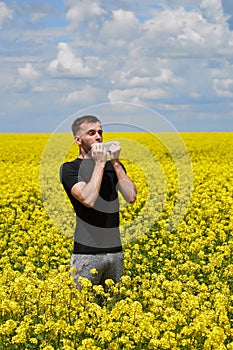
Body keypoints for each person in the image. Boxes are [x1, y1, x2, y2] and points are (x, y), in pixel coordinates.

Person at [60, 115, 137, 288]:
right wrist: (100, 164)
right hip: (87, 254)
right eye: (92, 133)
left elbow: (131, 196)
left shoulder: (113, 167)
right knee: (83, 307)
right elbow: (88, 199)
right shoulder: (70, 169)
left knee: (115, 307)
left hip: (116, 252)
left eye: (100, 132)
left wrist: (115, 162)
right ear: (78, 140)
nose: (99, 137)